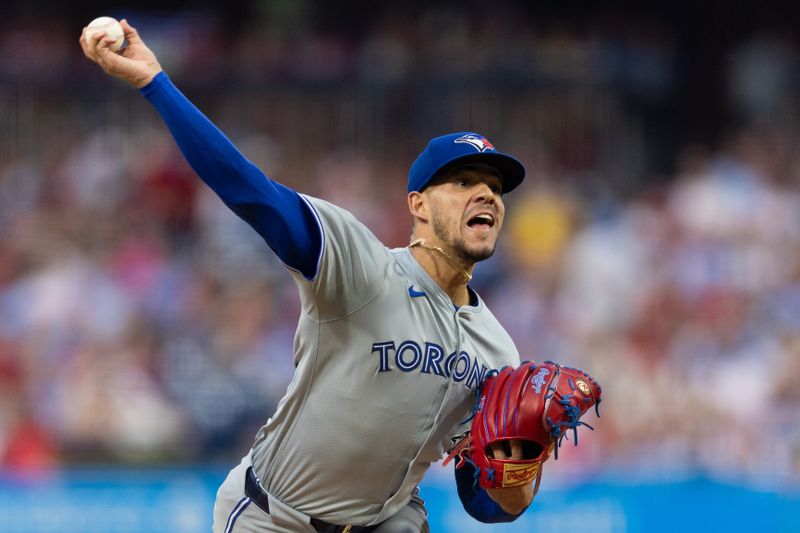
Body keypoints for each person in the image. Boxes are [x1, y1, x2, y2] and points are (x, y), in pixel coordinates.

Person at [80, 19, 535, 533]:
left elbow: (486, 502)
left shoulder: (498, 351)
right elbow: (250, 191)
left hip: (389, 522)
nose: (487, 195)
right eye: (464, 180)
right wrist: (156, 85)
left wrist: (520, 470)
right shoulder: (361, 268)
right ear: (419, 205)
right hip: (274, 518)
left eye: (496, 187)